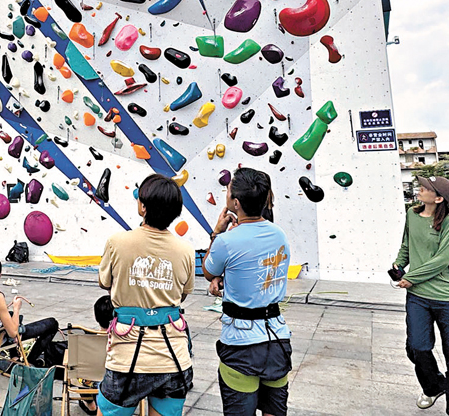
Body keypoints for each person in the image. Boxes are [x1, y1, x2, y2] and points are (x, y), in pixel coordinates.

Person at [97, 173, 194, 416]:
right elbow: (183, 294)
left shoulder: (116, 242)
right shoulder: (186, 251)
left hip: (127, 358)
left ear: (142, 206)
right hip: (173, 358)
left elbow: (104, 282)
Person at [202, 167, 292, 416]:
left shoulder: (226, 241)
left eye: (228, 191)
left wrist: (216, 232)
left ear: (236, 203)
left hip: (241, 344)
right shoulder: (280, 235)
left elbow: (209, 270)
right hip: (277, 339)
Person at [395, 176, 449, 414]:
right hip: (418, 296)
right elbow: (407, 245)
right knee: (416, 347)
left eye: (426, 188)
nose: (420, 189)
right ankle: (434, 386)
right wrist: (399, 265)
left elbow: (442, 259)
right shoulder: (412, 214)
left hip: (448, 297)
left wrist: (412, 277)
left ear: (438, 198)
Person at [0, 257, 59, 367]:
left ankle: (14, 356)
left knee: (10, 316)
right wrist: (16, 308)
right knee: (52, 323)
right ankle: (29, 361)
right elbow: (13, 332)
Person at [78, 295, 114, 415]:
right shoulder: (125, 342)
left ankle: (91, 406)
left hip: (93, 380)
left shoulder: (87, 344)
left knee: (81, 373)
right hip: (120, 384)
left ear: (96, 317)